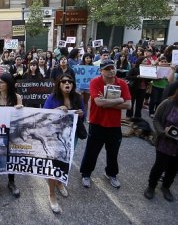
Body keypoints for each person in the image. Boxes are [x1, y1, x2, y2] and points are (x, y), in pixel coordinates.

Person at [80, 59, 131, 189]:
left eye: (112, 68)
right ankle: (86, 174)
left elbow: (128, 104)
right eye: (107, 69)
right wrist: (119, 101)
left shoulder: (122, 83)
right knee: (92, 151)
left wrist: (108, 102)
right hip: (97, 123)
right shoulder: (95, 82)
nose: (111, 71)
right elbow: (98, 103)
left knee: (113, 152)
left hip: (114, 125)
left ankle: (111, 174)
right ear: (101, 71)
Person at [43, 74, 84, 213]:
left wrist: (81, 113)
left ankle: (59, 183)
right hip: (55, 136)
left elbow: (83, 113)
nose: (67, 84)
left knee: (65, 162)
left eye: (70, 82)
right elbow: (44, 115)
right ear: (59, 84)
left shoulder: (78, 97)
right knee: (54, 163)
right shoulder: (52, 98)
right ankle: (51, 194)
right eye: (64, 81)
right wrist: (56, 110)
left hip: (72, 136)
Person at [144, 85, 178, 202]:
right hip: (165, 141)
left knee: (173, 168)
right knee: (159, 166)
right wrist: (162, 132)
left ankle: (166, 187)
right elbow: (156, 119)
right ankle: (151, 187)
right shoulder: (168, 103)